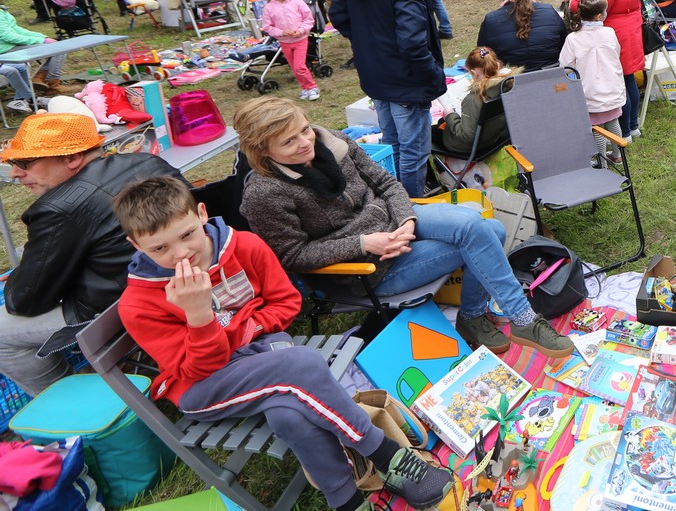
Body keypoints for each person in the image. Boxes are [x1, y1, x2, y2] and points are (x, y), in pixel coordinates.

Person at [112, 177, 455, 511]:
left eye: (187, 234)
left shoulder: (244, 246)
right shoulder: (138, 304)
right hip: (204, 384)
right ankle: (386, 455)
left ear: (202, 213)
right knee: (302, 364)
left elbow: (287, 301)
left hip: (262, 349)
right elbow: (197, 369)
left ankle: (346, 502)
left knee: (287, 413)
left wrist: (248, 329)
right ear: (136, 245)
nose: (181, 254)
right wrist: (200, 317)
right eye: (160, 248)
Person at [234, 98, 574, 361]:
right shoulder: (265, 194)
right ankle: (507, 318)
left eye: (305, 129)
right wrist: (364, 243)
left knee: (484, 228)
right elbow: (291, 256)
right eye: (289, 142)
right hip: (368, 269)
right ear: (263, 150)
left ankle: (501, 316)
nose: (305, 142)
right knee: (490, 233)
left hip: (396, 223)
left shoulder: (334, 142)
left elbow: (386, 183)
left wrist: (406, 220)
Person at [0, 113, 181, 395]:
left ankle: (71, 405)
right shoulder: (148, 162)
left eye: (25, 163)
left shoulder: (57, 208)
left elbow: (24, 300)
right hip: (179, 283)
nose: (14, 173)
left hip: (119, 310)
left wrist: (17, 278)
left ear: (72, 158)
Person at [330, 0, 445, 198]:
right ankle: (409, 208)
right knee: (412, 153)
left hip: (377, 74)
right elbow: (412, 42)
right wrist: (432, 75)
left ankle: (395, 205)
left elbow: (339, 15)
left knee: (393, 145)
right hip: (405, 80)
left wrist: (369, 44)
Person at [580, 0, 647, 138]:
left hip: (616, 28)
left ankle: (624, 132)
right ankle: (633, 126)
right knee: (628, 78)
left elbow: (598, 2)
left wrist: (575, 3)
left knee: (618, 83)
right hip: (631, 23)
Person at [559, 0, 627, 165]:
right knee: (613, 121)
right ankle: (618, 156)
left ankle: (602, 163)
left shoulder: (573, 38)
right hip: (612, 88)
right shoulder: (609, 32)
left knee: (597, 128)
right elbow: (617, 52)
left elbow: (565, 66)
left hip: (589, 92)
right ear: (599, 16)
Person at [434, 46, 519, 160]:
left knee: (432, 131)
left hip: (470, 148)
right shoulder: (508, 86)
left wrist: (450, 116)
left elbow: (466, 137)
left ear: (474, 73)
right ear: (497, 65)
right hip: (495, 138)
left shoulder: (474, 99)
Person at [477, 0, 568, 71]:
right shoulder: (549, 11)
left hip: (511, 79)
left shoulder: (491, 21)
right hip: (552, 76)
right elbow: (564, 43)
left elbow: (483, 56)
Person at [0, 6, 83, 105]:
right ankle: (52, 84)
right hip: (5, 49)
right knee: (58, 49)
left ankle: (41, 79)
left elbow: (16, 30)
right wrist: (41, 40)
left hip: (11, 46)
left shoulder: (2, 10)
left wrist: (42, 37)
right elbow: (8, 37)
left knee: (57, 47)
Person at [261, 0, 319, 101]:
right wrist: (281, 32)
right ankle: (305, 88)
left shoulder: (297, 2)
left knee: (299, 66)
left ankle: (312, 87)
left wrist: (301, 30)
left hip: (300, 39)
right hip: (285, 42)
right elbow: (267, 27)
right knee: (294, 67)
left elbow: (308, 19)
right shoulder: (269, 7)